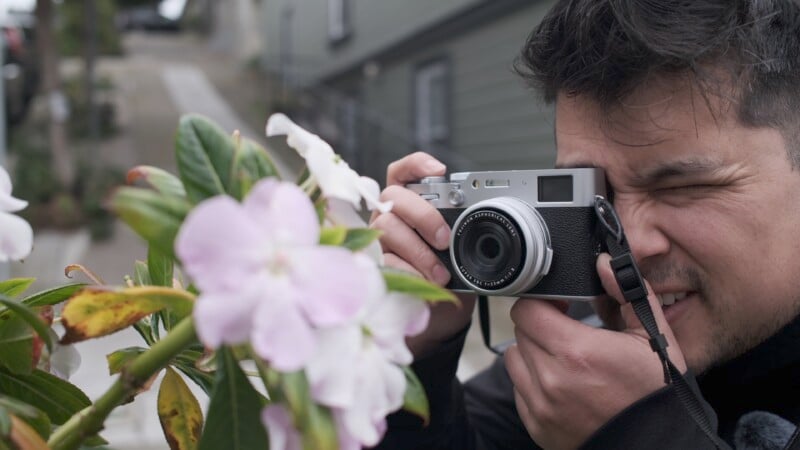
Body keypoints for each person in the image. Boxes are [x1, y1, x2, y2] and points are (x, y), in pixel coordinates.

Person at [369, 0, 800, 448]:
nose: (627, 243)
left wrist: (644, 436)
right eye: (595, 197)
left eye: (680, 188)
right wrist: (415, 363)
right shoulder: (583, 342)